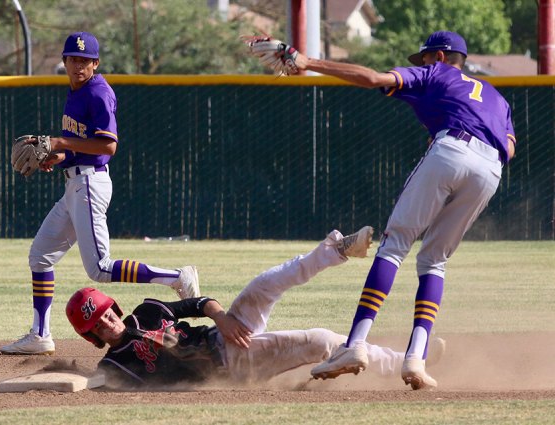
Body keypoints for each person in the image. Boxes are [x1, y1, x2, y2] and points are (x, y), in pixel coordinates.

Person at [274, 31, 515, 390]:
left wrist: (308, 63)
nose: (420, 64)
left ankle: (354, 345)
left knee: (395, 245)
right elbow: (509, 148)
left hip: (452, 148)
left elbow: (372, 78)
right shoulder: (496, 98)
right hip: (490, 170)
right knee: (434, 261)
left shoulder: (437, 72)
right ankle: (415, 358)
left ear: (439, 56)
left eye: (424, 58)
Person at [0, 32, 200, 356]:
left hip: (90, 185)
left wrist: (63, 144)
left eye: (84, 60)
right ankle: (40, 335)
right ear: (64, 61)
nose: (78, 65)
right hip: (74, 184)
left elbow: (109, 146)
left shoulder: (98, 93)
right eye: (72, 59)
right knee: (40, 256)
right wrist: (58, 156)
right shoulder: (74, 92)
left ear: (95, 63)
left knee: (100, 269)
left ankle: (177, 277)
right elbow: (80, 146)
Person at [66, 227, 445, 389]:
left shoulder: (146, 311)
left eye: (107, 313)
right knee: (321, 341)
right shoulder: (113, 366)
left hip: (224, 334)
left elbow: (197, 302)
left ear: (114, 306)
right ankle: (404, 362)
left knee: (265, 284)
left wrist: (221, 317)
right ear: (91, 336)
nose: (108, 323)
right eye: (98, 326)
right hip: (231, 366)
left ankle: (337, 249)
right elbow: (115, 388)